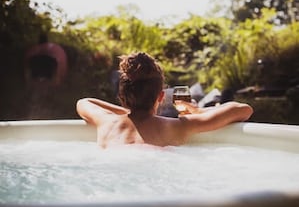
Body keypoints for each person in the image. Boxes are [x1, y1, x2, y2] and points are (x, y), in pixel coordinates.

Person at [76, 52, 253, 148]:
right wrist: (198, 112)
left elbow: (83, 102)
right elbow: (243, 109)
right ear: (161, 96)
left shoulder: (107, 122)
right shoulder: (178, 126)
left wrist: (127, 111)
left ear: (121, 95)